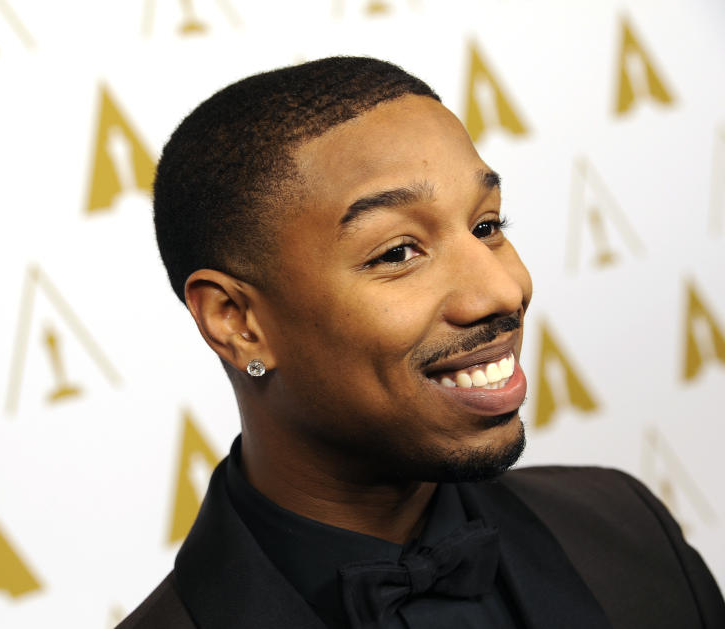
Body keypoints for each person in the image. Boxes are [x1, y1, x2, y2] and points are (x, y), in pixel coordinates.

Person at [119, 57, 725, 629]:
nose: (502, 291)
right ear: (236, 321)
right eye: (398, 252)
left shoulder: (628, 528)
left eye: (487, 227)